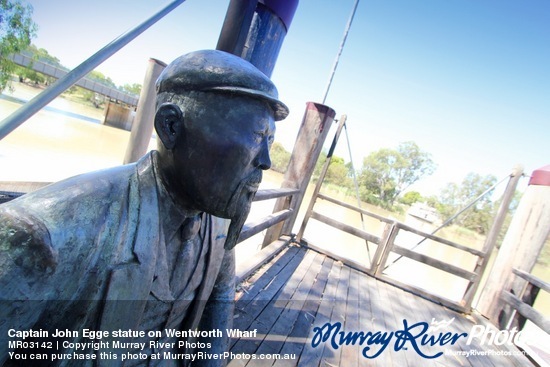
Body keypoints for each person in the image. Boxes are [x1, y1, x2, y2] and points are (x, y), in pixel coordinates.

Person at [0, 49, 288, 366]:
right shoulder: (46, 236)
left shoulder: (218, 216)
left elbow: (218, 303)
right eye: (257, 135)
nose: (265, 160)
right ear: (171, 127)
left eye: (269, 141)